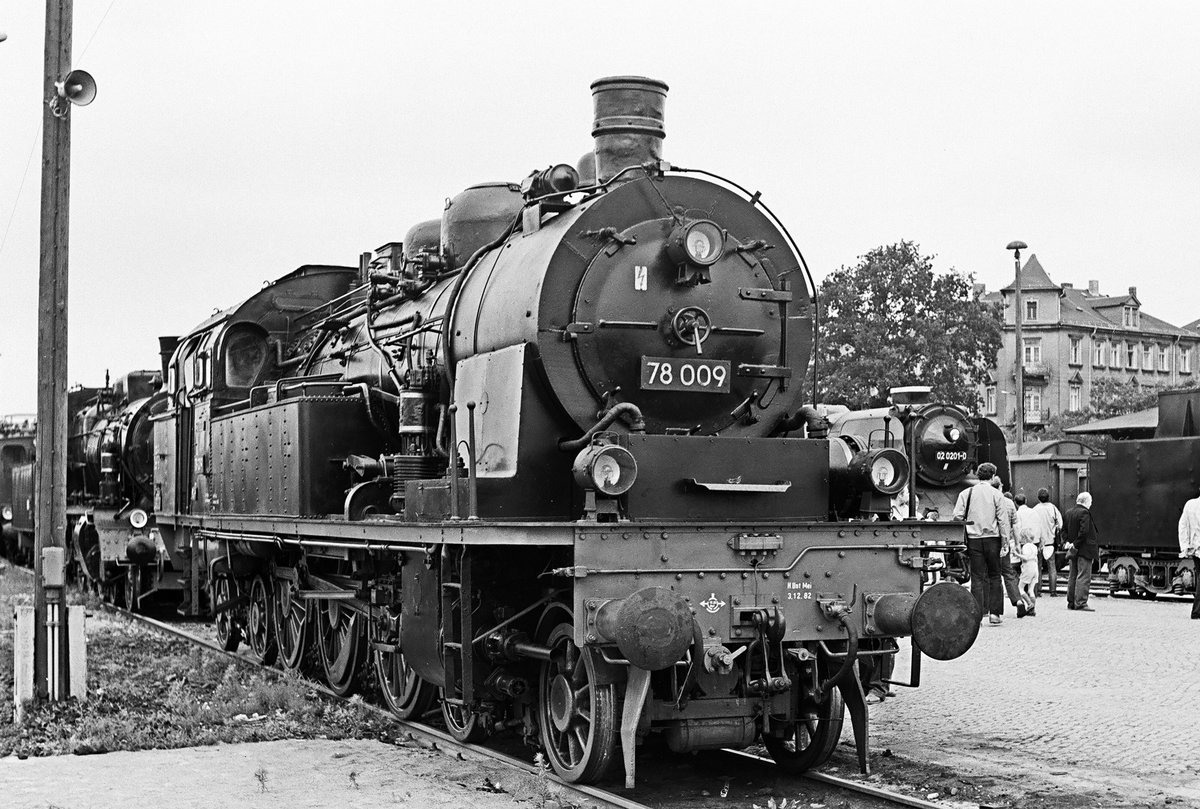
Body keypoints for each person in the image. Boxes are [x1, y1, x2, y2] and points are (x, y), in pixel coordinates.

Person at [952, 462, 1011, 625]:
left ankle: (977, 614)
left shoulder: (966, 493)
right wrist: (1005, 541)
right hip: (993, 539)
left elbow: (957, 516)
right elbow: (1003, 520)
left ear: (978, 476)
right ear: (993, 477)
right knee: (995, 575)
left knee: (977, 577)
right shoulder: (997, 495)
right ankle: (995, 614)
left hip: (973, 540)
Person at [1063, 492, 1099, 611]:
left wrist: (1068, 543)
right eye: (1091, 501)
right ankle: (1081, 603)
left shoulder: (1069, 512)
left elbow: (1063, 531)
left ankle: (1071, 602)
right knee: (1083, 576)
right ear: (1085, 502)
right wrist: (1075, 544)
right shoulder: (1084, 512)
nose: (1091, 504)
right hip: (1084, 549)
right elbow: (1084, 532)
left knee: (1072, 575)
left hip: (1073, 550)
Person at [995, 483, 1022, 616]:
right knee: (1008, 573)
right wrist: (1017, 544)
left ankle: (995, 609)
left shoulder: (988, 500)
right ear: (1000, 488)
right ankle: (1018, 601)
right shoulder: (1009, 503)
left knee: (993, 575)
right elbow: (1016, 526)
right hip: (1005, 542)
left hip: (990, 540)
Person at [1033, 488, 1063, 596]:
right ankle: (1053, 591)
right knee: (1052, 567)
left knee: (1038, 567)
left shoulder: (1035, 509)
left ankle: (1038, 591)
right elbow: (1060, 524)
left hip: (1038, 542)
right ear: (1048, 497)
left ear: (1038, 498)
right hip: (1050, 542)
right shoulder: (1053, 508)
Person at [1177, 489, 1200, 620]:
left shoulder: (1190, 505)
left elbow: (1183, 525)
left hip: (1195, 550)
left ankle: (1196, 611)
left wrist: (1185, 546)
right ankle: (1196, 611)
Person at [1017, 527, 1039, 617]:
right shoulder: (1034, 546)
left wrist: (1017, 554)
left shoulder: (1026, 547)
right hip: (1035, 568)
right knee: (1031, 590)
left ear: (1024, 537)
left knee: (1020, 588)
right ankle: (1032, 611)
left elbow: (1026, 558)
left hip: (1028, 568)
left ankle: (1029, 604)